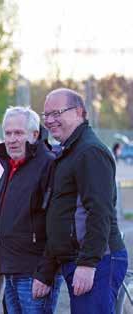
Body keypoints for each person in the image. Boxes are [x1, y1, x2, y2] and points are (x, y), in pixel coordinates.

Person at [43, 88, 128, 313]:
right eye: (46, 115)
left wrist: (88, 263)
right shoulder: (70, 151)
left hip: (98, 261)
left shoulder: (90, 151)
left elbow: (99, 211)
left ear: (79, 112)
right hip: (80, 259)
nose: (49, 121)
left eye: (57, 113)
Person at [0, 106, 62, 314]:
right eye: (8, 133)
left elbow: (58, 226)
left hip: (34, 274)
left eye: (19, 133)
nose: (12, 139)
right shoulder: (10, 167)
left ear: (35, 134)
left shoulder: (48, 165)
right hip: (11, 270)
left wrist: (45, 273)